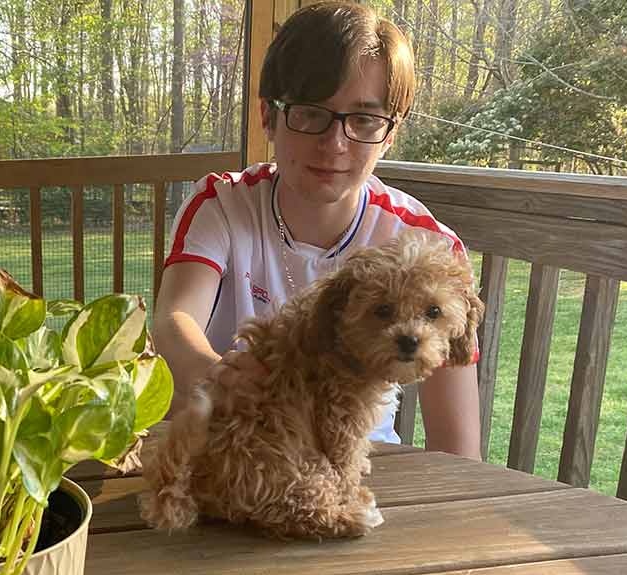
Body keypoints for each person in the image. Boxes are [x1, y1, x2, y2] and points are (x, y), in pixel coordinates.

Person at [154, 1, 481, 458]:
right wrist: (216, 376)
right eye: (310, 113)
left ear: (390, 133)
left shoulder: (430, 245)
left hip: (363, 461)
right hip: (234, 447)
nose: (334, 143)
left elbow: (458, 450)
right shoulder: (221, 203)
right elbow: (174, 319)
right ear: (268, 116)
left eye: (364, 119)